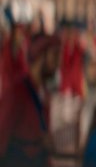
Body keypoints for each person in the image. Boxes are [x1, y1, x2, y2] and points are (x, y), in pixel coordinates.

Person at [0, 34, 61, 167]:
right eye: (55, 55)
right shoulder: (17, 93)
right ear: (41, 56)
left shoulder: (43, 95)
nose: (58, 63)